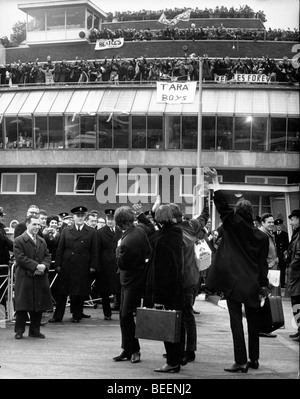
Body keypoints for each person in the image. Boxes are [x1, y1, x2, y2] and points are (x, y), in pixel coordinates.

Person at [204, 166, 269, 374]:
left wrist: (215, 183)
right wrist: (263, 285)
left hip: (233, 283)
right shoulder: (262, 237)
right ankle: (255, 359)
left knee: (236, 323)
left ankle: (240, 361)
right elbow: (262, 264)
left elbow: (223, 207)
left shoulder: (233, 225)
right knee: (253, 322)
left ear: (238, 214)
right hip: (252, 284)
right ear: (253, 214)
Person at [144, 204, 185, 373]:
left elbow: (163, 269)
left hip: (166, 290)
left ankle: (172, 361)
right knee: (176, 325)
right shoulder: (174, 232)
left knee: (167, 327)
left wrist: (159, 296)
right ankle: (176, 359)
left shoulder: (165, 238)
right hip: (176, 288)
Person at [169, 201, 209, 365]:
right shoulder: (191, 225)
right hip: (192, 278)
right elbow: (205, 216)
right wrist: (206, 201)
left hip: (183, 280)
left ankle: (188, 351)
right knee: (185, 315)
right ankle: (183, 349)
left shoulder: (173, 232)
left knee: (184, 315)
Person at [113, 205, 154, 364]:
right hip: (135, 278)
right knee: (125, 315)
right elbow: (150, 226)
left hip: (130, 280)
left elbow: (121, 264)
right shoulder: (140, 229)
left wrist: (117, 250)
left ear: (119, 223)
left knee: (125, 315)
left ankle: (134, 349)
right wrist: (141, 215)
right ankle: (127, 348)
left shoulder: (126, 242)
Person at [48, 206, 98, 323]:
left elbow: (94, 251)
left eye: (82, 216)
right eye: (77, 216)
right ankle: (58, 316)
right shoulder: (66, 230)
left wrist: (93, 266)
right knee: (62, 292)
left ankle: (76, 315)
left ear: (84, 217)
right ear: (74, 217)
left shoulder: (91, 231)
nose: (80, 218)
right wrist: (58, 264)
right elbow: (60, 248)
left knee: (79, 292)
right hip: (67, 266)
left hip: (82, 266)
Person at [13, 215, 53, 339]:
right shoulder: (19, 240)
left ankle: (35, 330)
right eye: (34, 224)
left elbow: (47, 256)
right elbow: (20, 258)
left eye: (38, 225)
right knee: (22, 306)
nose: (37, 227)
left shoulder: (42, 240)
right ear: (27, 224)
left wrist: (44, 266)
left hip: (39, 277)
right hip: (25, 277)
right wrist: (36, 266)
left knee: (38, 306)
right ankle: (19, 331)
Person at [96, 209, 122, 320]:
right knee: (105, 291)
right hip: (105, 264)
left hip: (117, 264)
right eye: (108, 219)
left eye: (112, 219)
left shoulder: (120, 231)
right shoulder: (100, 232)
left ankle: (122, 312)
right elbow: (97, 250)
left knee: (119, 290)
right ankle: (107, 314)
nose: (110, 221)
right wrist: (97, 266)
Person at [285, 209, 300, 342]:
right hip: (296, 274)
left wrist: (292, 266)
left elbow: (299, 254)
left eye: (293, 219)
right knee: (295, 303)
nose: (291, 223)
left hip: (297, 275)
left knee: (297, 302)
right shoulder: (297, 233)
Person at [0, 206, 13, 308]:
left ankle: (2, 317)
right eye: (1, 216)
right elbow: (6, 242)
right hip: (1, 264)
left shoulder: (1, 228)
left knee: (3, 292)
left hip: (3, 264)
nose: (2, 218)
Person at [274, 218, 289, 288]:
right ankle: (276, 283)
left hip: (282, 255)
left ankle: (282, 283)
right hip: (276, 255)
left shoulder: (285, 234)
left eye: (280, 225)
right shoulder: (273, 234)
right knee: (276, 270)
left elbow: (287, 246)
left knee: (282, 270)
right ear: (275, 226)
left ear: (281, 226)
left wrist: (286, 254)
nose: (279, 226)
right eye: (277, 225)